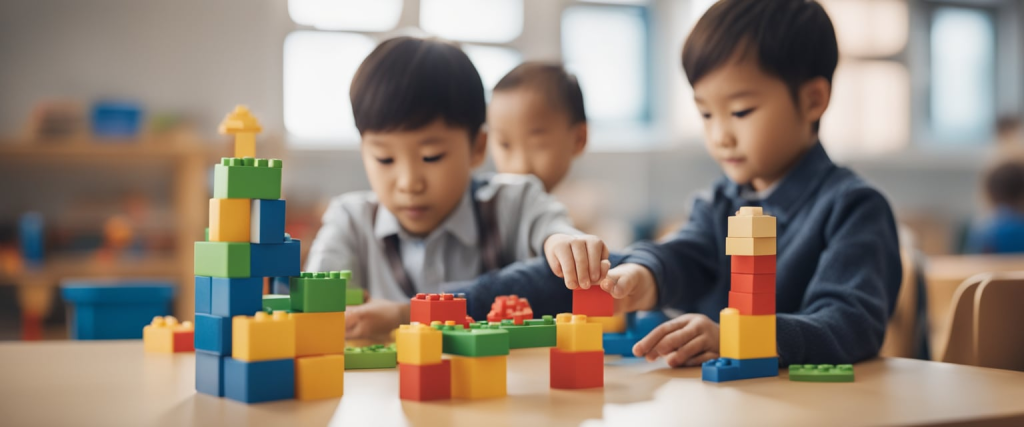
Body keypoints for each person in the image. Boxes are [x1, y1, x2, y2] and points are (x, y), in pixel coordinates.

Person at [595, 0, 903, 366]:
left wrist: (740, 339)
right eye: (706, 113)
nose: (720, 135)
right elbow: (685, 255)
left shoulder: (853, 208)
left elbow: (850, 324)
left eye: (740, 111)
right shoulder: (718, 203)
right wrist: (645, 276)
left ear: (812, 101)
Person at [304, 37, 608, 339]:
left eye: (431, 157)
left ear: (477, 147)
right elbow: (312, 308)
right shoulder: (350, 222)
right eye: (384, 158)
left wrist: (565, 244)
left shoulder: (514, 202)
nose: (409, 183)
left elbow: (552, 229)